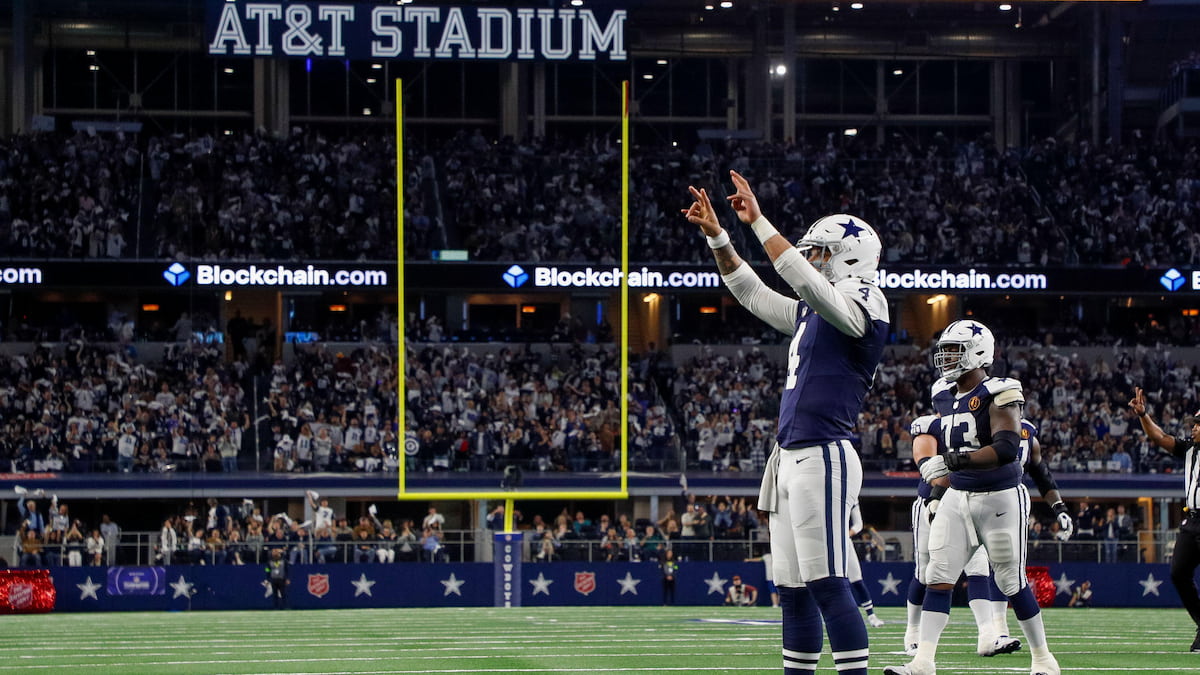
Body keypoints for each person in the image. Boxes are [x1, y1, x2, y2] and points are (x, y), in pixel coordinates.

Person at [683, 171, 888, 675]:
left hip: (824, 452)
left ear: (849, 256)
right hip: (790, 455)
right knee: (792, 590)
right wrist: (720, 237)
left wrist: (758, 222)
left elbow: (802, 280)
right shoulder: (811, 313)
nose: (814, 259)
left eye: (822, 252)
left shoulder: (867, 304)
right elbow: (752, 292)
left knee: (827, 582)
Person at [886, 319, 1059, 675]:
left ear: (978, 353)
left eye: (954, 351)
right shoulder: (948, 397)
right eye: (945, 352)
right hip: (958, 494)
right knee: (939, 575)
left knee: (1011, 580)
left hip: (998, 497)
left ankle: (1043, 658)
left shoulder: (1001, 391)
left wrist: (950, 460)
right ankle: (923, 661)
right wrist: (938, 485)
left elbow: (1007, 448)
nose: (946, 359)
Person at [1128, 388, 1200, 651]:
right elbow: (1160, 437)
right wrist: (1144, 415)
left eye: (1198, 425)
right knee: (1178, 572)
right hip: (1192, 521)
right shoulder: (1191, 450)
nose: (1193, 429)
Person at [846, 503, 885, 628]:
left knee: (857, 579)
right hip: (821, 541)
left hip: (843, 541)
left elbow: (858, 524)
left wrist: (845, 534)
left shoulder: (850, 493)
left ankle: (871, 616)